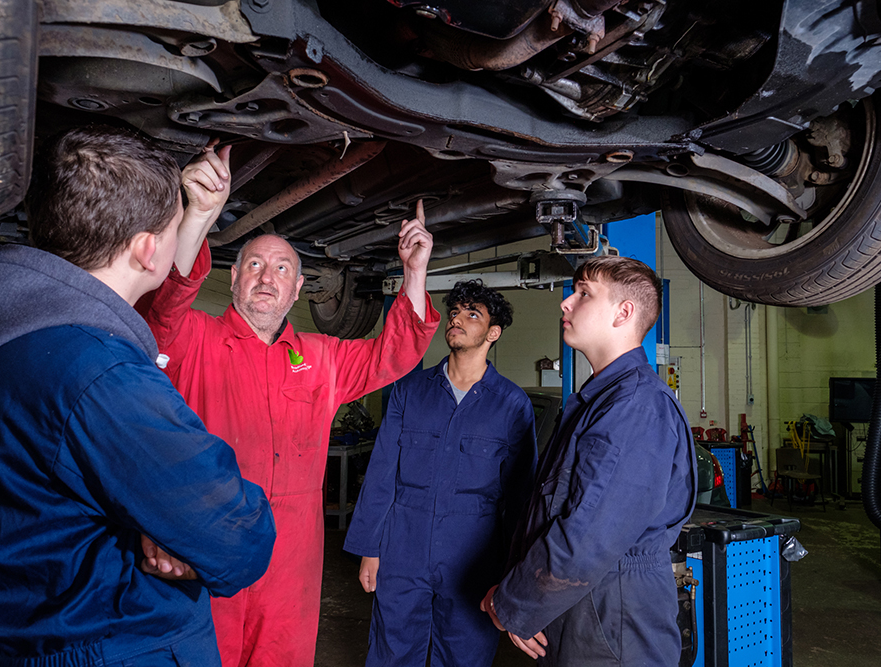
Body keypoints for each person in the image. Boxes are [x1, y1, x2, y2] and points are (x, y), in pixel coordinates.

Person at [0, 126, 276, 667]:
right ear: (147, 249)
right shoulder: (101, 374)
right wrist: (169, 527)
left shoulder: (5, 318)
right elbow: (237, 539)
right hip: (112, 644)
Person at [136, 146, 441, 667]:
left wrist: (414, 272)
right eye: (253, 264)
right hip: (208, 546)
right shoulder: (195, 339)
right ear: (232, 280)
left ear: (298, 288)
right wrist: (198, 215)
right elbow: (162, 307)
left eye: (281, 267)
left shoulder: (320, 357)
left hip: (292, 560)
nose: (266, 276)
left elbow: (393, 355)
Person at [481, 256, 697, 666]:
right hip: (587, 610)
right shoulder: (600, 400)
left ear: (624, 312)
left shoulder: (635, 407)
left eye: (584, 294)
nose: (566, 303)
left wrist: (513, 604)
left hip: (614, 623)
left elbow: (588, 537)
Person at [344, 279, 538, 667]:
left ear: (493, 332)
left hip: (473, 555)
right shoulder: (410, 390)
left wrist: (516, 570)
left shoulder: (512, 404)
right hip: (404, 546)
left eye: (472, 314)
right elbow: (382, 471)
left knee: (465, 654)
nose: (457, 320)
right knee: (392, 651)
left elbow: (520, 496)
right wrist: (370, 548)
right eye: (454, 312)